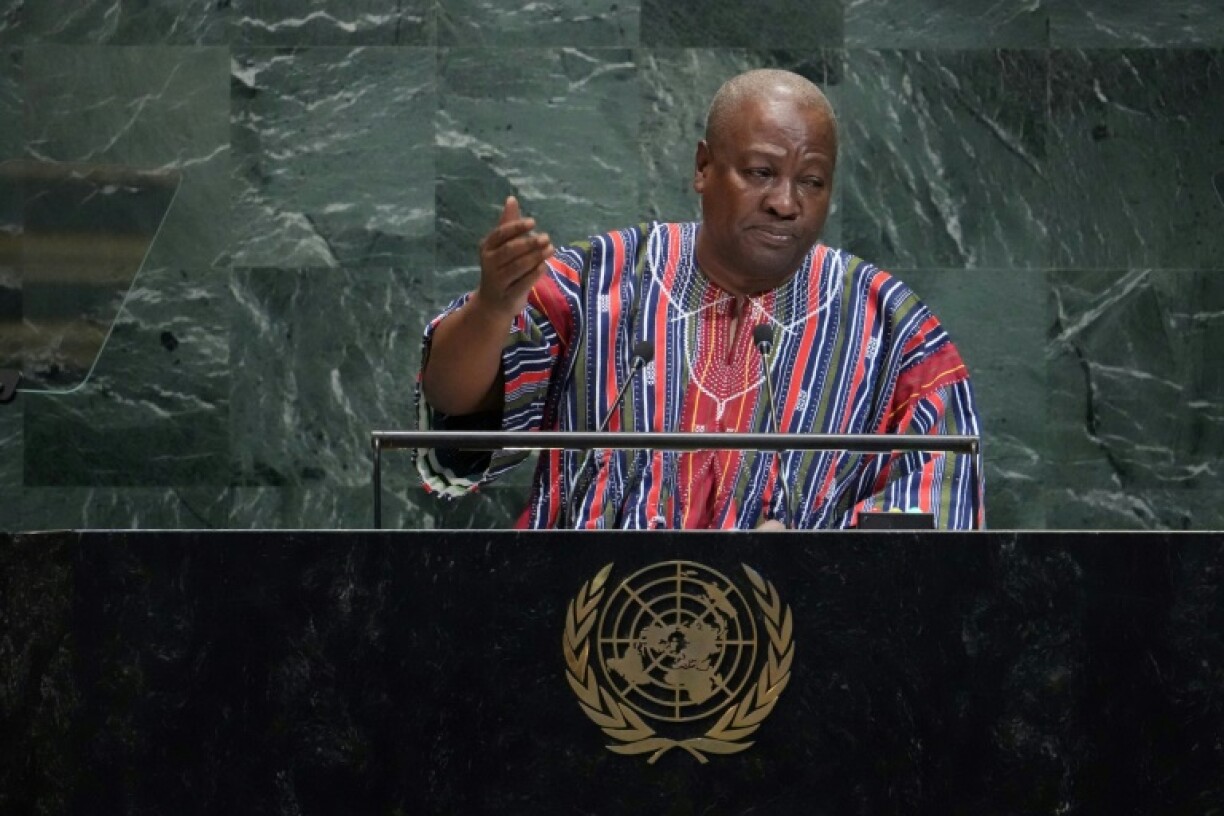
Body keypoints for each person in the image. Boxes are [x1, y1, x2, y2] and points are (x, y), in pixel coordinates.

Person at [418, 69, 983, 530]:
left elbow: (939, 521)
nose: (786, 203)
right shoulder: (600, 277)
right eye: (761, 172)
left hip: (797, 645)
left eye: (812, 181)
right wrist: (493, 308)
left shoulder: (891, 325)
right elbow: (454, 401)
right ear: (703, 168)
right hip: (584, 627)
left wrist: (818, 563)